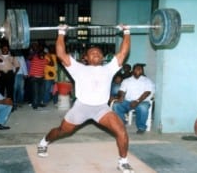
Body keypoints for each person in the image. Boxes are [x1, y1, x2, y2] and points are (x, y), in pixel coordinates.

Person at [37, 25, 133, 173]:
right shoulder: (77, 68)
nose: (96, 54)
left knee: (121, 131)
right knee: (62, 131)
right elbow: (61, 54)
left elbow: (123, 52)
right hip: (81, 107)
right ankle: (44, 142)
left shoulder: (109, 68)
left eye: (99, 53)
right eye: (92, 52)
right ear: (85, 58)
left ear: (102, 57)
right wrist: (61, 32)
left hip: (101, 108)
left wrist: (126, 32)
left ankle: (123, 161)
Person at [113, 63, 155, 134]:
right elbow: (122, 90)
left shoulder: (147, 81)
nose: (139, 70)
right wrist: (122, 97)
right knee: (116, 105)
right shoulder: (127, 80)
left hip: (142, 102)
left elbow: (147, 92)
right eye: (137, 68)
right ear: (133, 70)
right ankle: (122, 122)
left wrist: (137, 101)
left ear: (142, 71)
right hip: (128, 101)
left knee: (143, 107)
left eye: (140, 69)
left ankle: (141, 127)